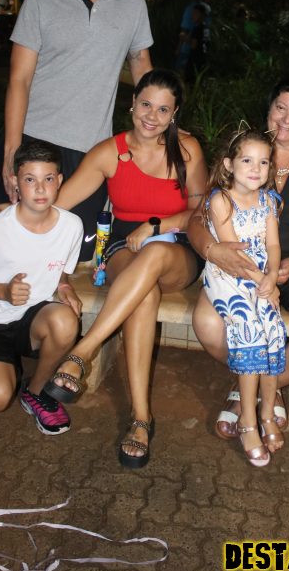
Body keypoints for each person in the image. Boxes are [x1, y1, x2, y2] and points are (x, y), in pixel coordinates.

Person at [42, 69, 207, 469]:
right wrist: (11, 213)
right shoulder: (108, 153)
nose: (152, 116)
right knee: (143, 296)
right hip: (123, 246)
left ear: (174, 114)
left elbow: (201, 210)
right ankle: (140, 419)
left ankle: (82, 351)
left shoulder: (187, 150)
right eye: (145, 104)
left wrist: (157, 226)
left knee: (154, 256)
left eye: (163, 109)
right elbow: (57, 205)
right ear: (132, 103)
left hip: (176, 248)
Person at [0, 0, 153, 260]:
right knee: (3, 248)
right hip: (32, 142)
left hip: (91, 154)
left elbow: (143, 72)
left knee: (71, 259)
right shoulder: (41, 0)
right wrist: (12, 151)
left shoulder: (134, 5)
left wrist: (160, 133)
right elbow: (19, 79)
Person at [188, 75, 289, 435]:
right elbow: (197, 220)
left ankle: (252, 392)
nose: (287, 119)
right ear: (268, 110)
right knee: (208, 324)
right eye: (281, 108)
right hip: (241, 268)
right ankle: (261, 390)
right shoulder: (244, 153)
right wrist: (214, 251)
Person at [0, 140, 83, 435]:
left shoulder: (72, 226)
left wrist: (65, 286)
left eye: (49, 179)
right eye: (30, 180)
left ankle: (36, 392)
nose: (40, 189)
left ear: (60, 180)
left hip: (31, 319)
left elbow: (60, 271)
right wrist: (3, 292)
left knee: (65, 320)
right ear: (15, 182)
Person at [204, 128, 286, 467]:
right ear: (229, 164)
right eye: (247, 160)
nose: (256, 168)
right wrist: (264, 282)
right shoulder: (221, 200)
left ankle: (267, 412)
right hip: (228, 276)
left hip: (261, 276)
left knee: (274, 330)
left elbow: (273, 245)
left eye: (263, 162)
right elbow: (235, 257)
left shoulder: (268, 201)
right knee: (250, 329)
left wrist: (272, 276)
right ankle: (247, 422)